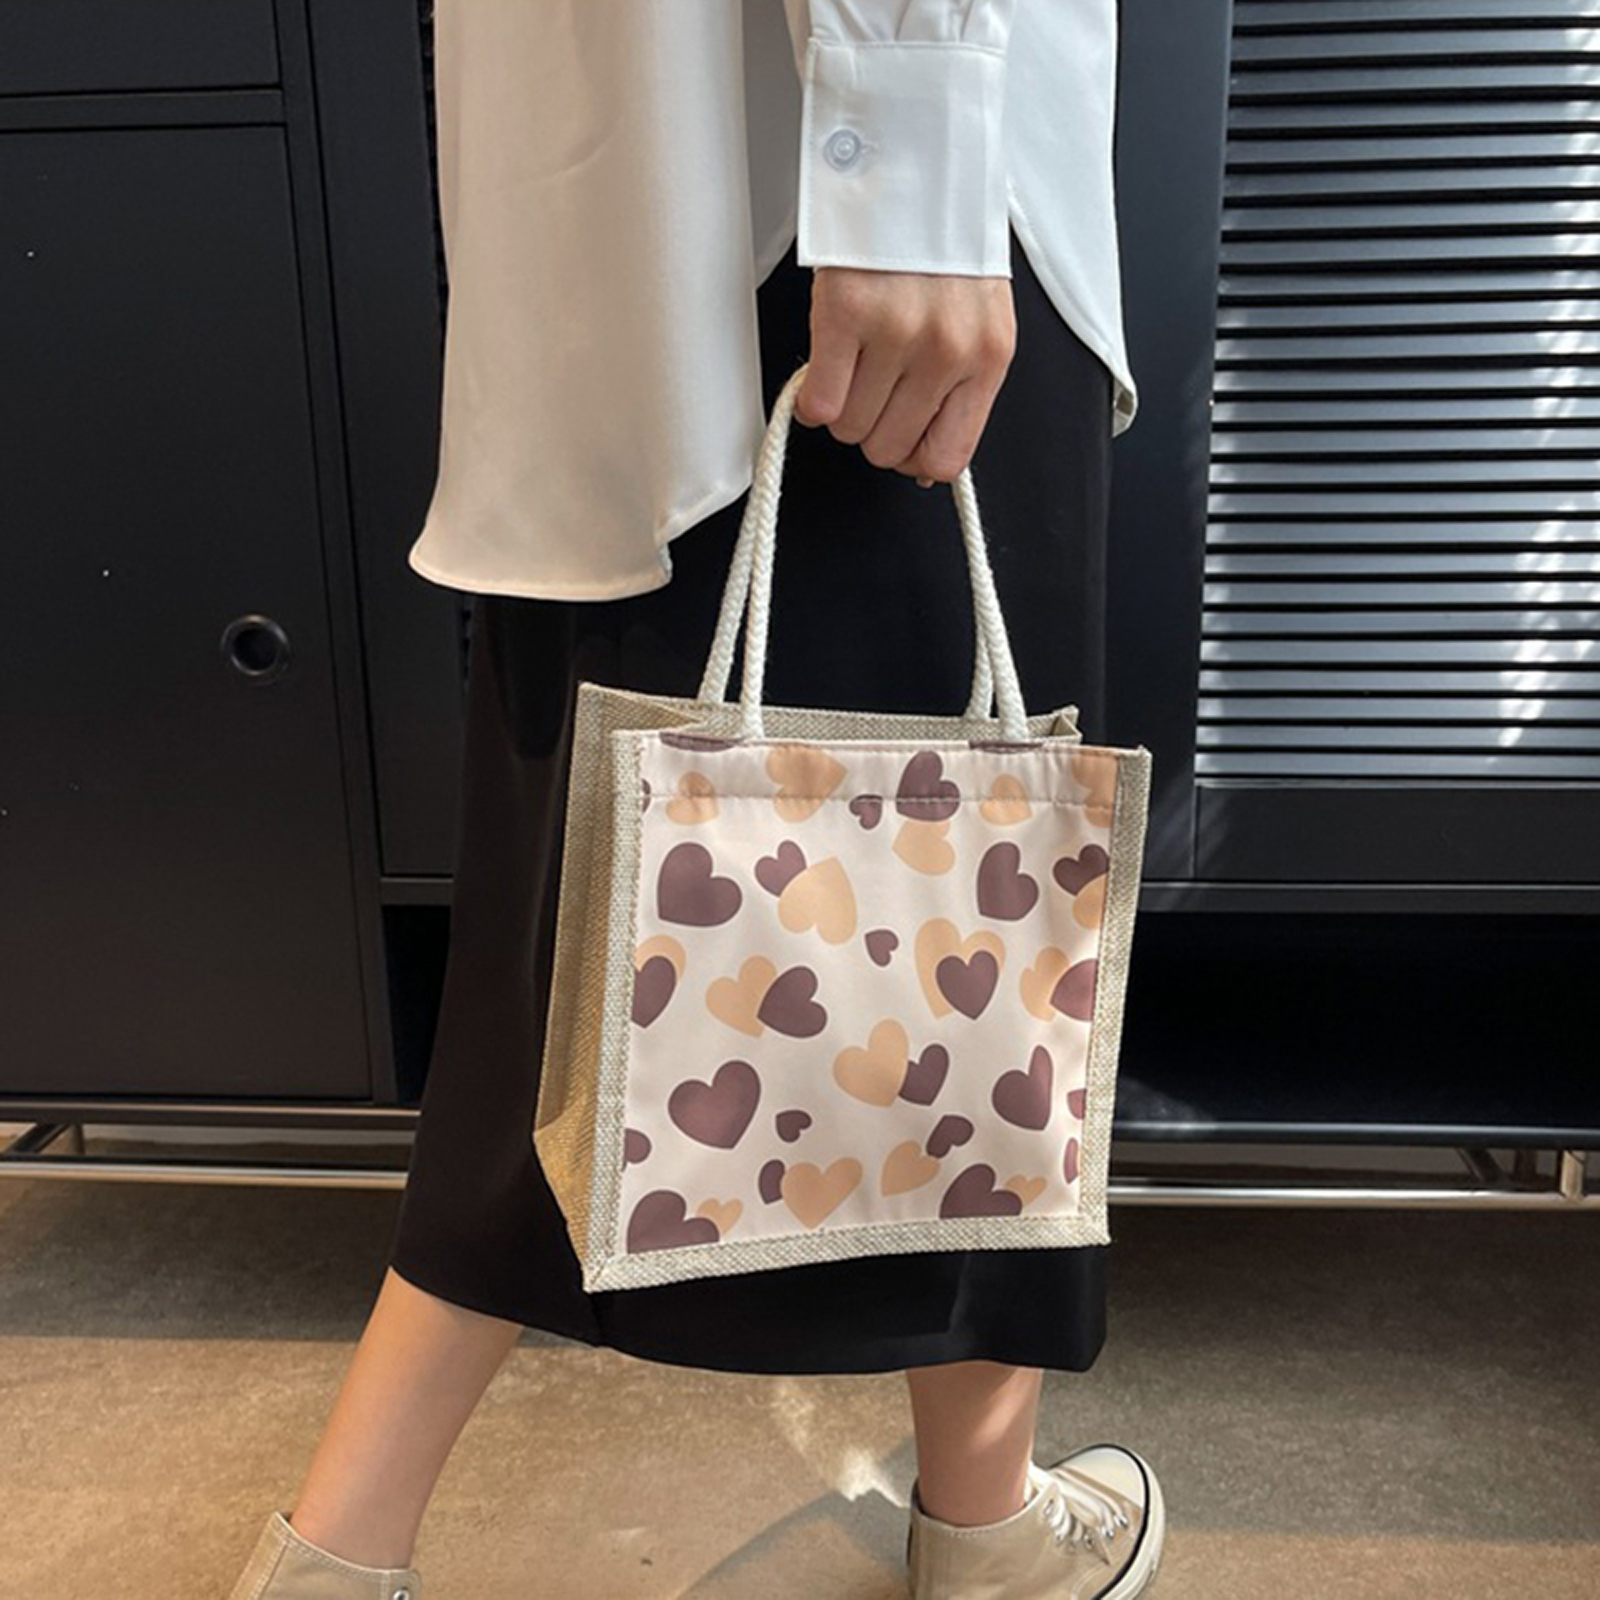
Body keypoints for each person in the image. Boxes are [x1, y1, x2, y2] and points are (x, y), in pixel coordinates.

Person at [226, 3, 1164, 1597]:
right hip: (853, 177)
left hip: (622, 209)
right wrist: (914, 133)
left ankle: (334, 1556)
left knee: (583, 960)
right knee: (972, 925)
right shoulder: (900, 155)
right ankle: (989, 1535)